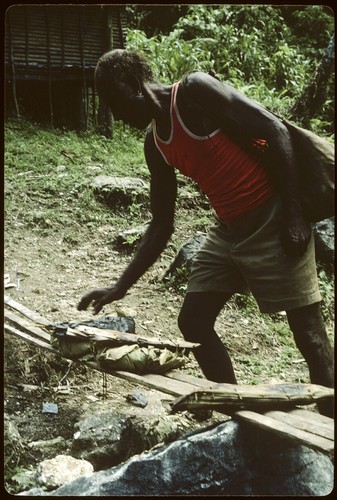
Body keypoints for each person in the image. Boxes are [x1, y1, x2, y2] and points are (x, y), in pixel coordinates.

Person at [78, 49, 334, 416]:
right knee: (194, 322)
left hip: (273, 215)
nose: (115, 115)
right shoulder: (155, 145)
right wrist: (120, 286)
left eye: (114, 102)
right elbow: (161, 224)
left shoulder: (194, 92)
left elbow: (274, 129)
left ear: (135, 85)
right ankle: (239, 413)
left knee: (310, 336)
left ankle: (330, 433)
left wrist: (294, 214)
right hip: (228, 230)